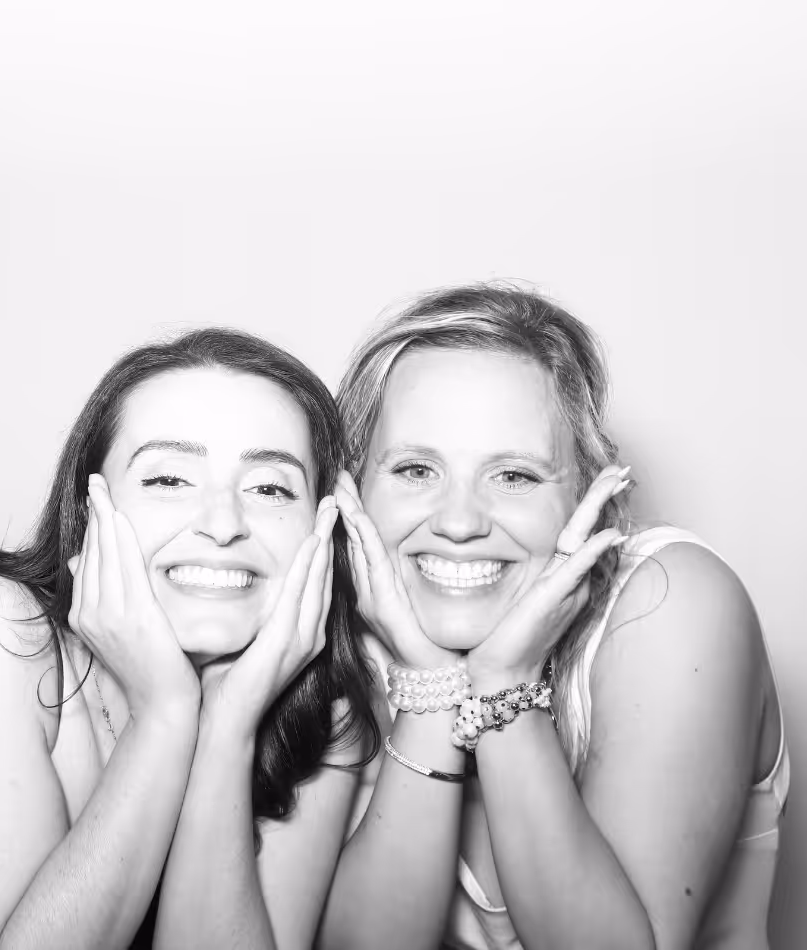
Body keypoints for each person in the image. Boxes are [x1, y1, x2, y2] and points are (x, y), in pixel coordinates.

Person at [0, 327, 376, 950]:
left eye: (270, 488)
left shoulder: (323, 702)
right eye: (169, 480)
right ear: (89, 510)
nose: (225, 523)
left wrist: (230, 729)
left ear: (319, 528)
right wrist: (165, 714)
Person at [318, 285, 787, 950]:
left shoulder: (671, 601)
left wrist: (506, 678)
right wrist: (429, 690)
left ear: (585, 492)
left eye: (513, 477)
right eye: (417, 469)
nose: (458, 522)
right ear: (354, 487)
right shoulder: (334, 628)